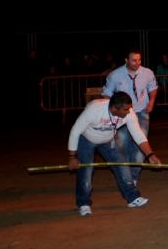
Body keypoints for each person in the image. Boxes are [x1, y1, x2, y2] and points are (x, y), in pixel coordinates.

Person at [67, 91, 161, 216]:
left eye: (129, 108)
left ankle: (132, 198)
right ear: (114, 108)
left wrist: (150, 155)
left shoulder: (129, 113)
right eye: (125, 109)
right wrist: (72, 157)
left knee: (122, 165)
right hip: (87, 139)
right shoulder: (94, 110)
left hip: (108, 139)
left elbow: (138, 135)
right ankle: (84, 203)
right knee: (86, 171)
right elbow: (75, 131)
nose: (129, 111)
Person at [103, 50, 158, 184]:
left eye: (139, 60)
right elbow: (106, 94)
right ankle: (124, 174)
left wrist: (151, 102)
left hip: (141, 113)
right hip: (123, 114)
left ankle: (133, 178)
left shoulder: (147, 73)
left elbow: (153, 88)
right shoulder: (115, 75)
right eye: (134, 60)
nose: (137, 63)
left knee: (140, 146)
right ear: (126, 60)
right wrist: (112, 112)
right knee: (122, 145)